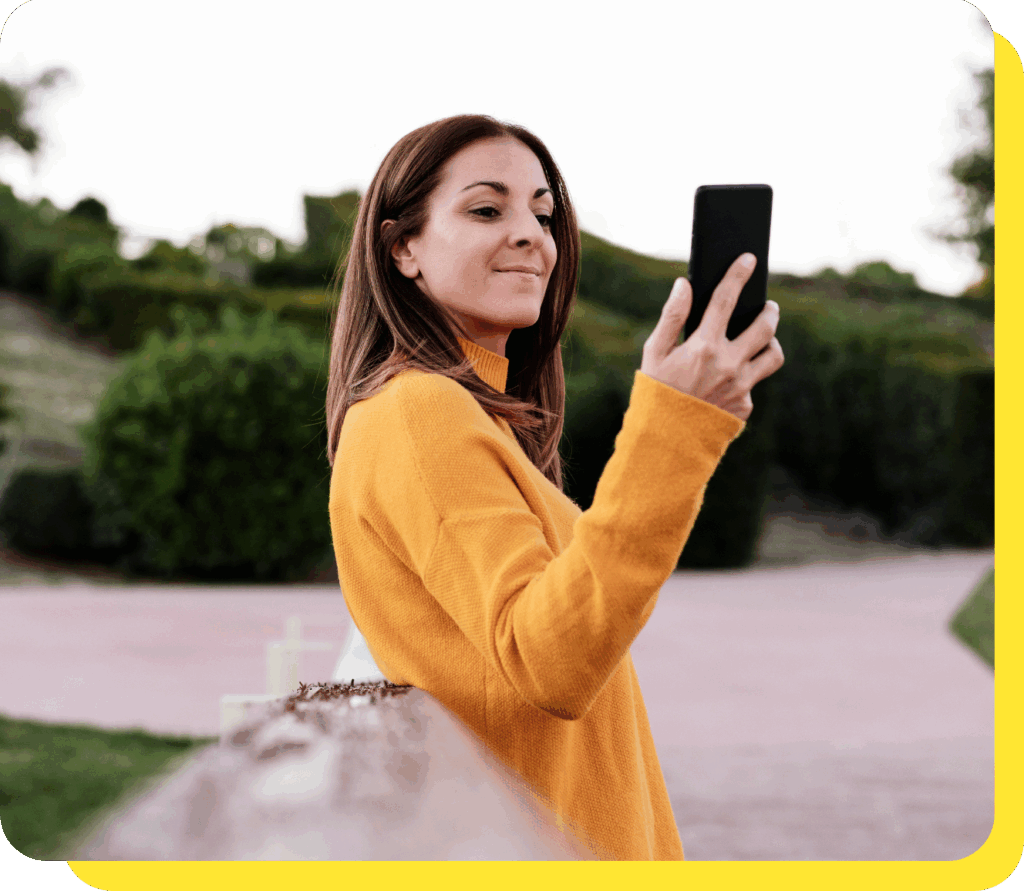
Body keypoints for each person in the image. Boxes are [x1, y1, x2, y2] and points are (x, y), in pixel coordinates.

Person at [324, 114, 784, 860]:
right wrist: (673, 430)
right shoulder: (416, 411)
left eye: (544, 214)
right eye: (486, 209)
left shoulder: (473, 420)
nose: (533, 235)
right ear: (402, 247)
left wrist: (696, 422)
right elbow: (552, 661)